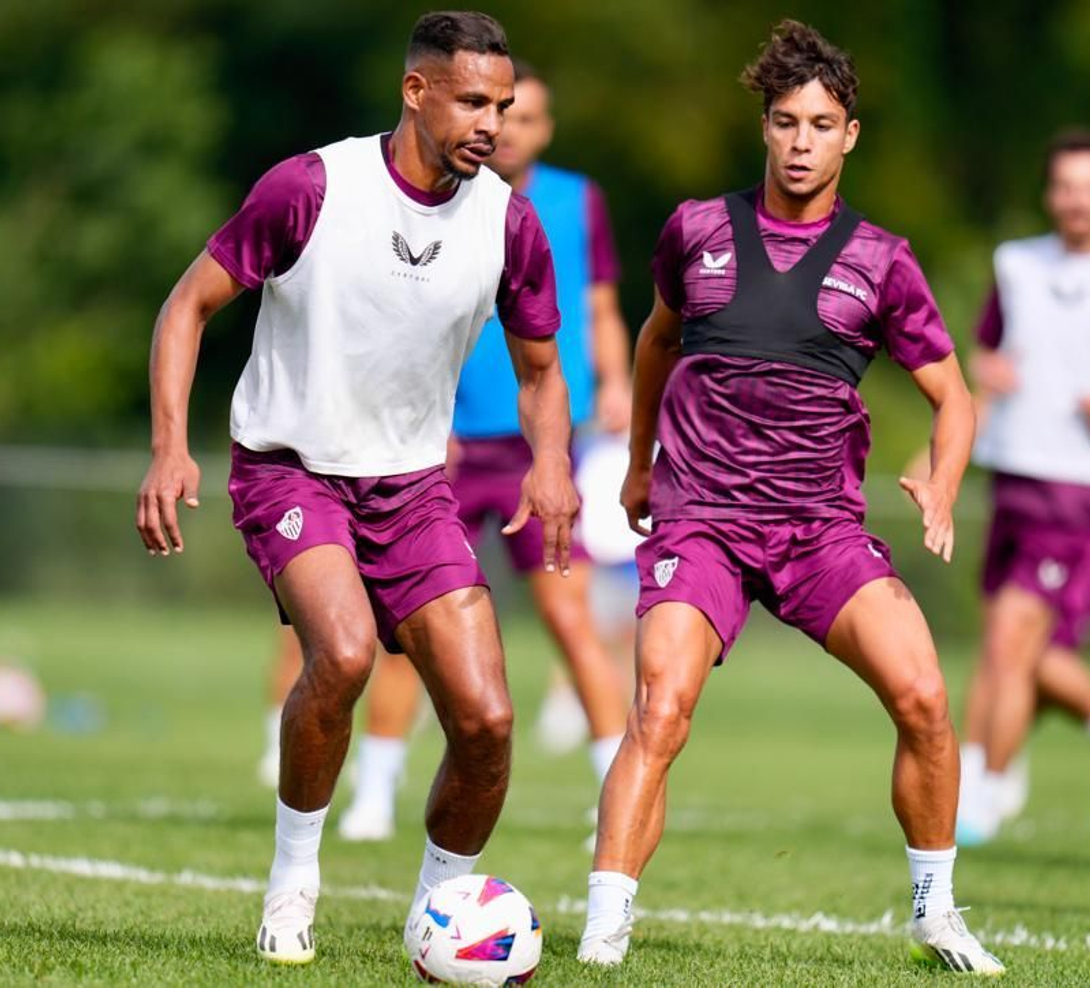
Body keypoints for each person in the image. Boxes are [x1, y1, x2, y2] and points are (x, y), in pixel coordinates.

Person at [133, 12, 577, 965]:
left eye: (501, 105)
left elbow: (541, 370)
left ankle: (437, 920)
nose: (490, 123)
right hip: (292, 468)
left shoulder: (508, 219)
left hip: (414, 490)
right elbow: (185, 308)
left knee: (489, 721)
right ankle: (293, 885)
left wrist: (552, 465)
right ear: (416, 91)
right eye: (471, 101)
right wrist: (170, 447)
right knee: (340, 655)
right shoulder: (312, 187)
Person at [575, 21, 1002, 974]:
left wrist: (940, 478)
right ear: (763, 129)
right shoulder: (695, 229)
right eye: (784, 122)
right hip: (704, 521)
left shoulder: (882, 260)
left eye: (820, 123)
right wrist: (641, 465)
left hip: (819, 531)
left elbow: (954, 395)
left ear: (852, 134)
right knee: (661, 708)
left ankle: (935, 912)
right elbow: (654, 344)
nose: (801, 141)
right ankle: (604, 925)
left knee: (927, 699)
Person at [334, 59, 633, 842]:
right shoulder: (442, 204)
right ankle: (375, 791)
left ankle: (615, 790)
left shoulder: (574, 202)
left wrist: (615, 381)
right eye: (495, 112)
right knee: (408, 624)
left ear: (544, 126)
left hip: (540, 447)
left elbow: (599, 305)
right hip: (446, 449)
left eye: (523, 115)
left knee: (571, 621)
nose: (505, 129)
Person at [957, 130, 1090, 845]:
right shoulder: (1016, 263)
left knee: (1016, 639)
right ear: (1051, 193)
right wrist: (985, 374)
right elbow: (987, 346)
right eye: (1065, 185)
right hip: (1013, 466)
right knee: (1008, 643)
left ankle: (986, 790)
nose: (1077, 199)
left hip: (1083, 483)